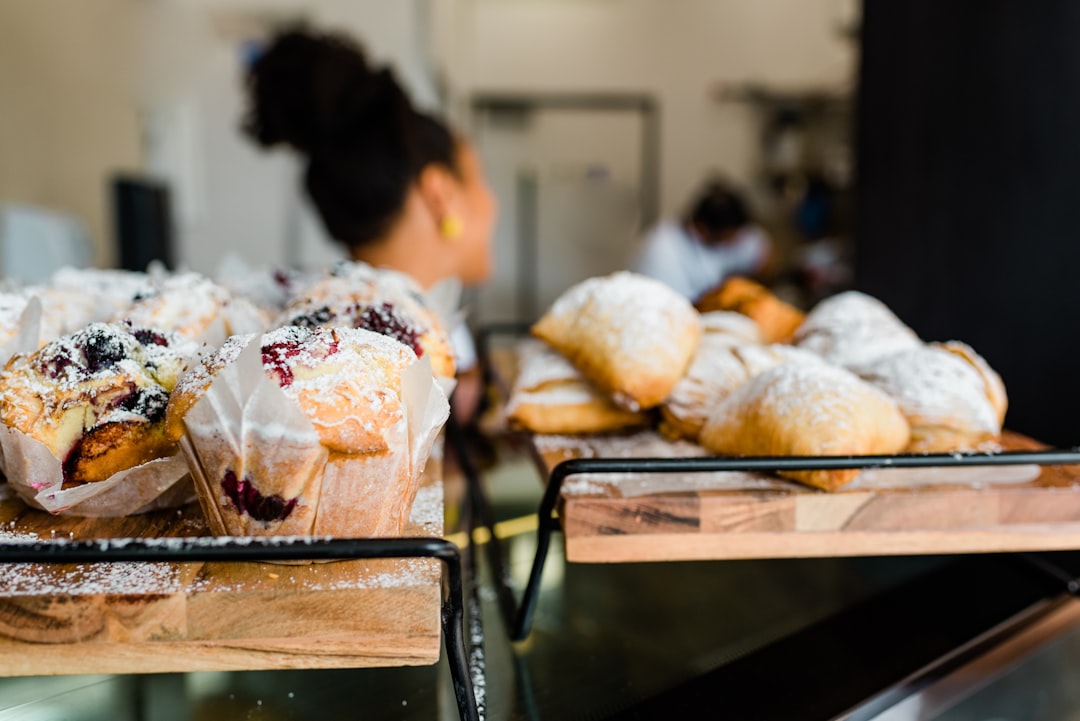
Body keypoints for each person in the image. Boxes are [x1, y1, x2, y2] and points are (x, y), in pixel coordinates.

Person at [242, 26, 496, 421]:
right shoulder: (398, 377)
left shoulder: (314, 343)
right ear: (440, 193)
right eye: (480, 178)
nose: (492, 203)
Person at [632, 180, 772, 303]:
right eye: (730, 237)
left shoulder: (731, 234)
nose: (736, 242)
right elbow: (673, 310)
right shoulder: (662, 252)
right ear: (704, 229)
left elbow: (761, 254)